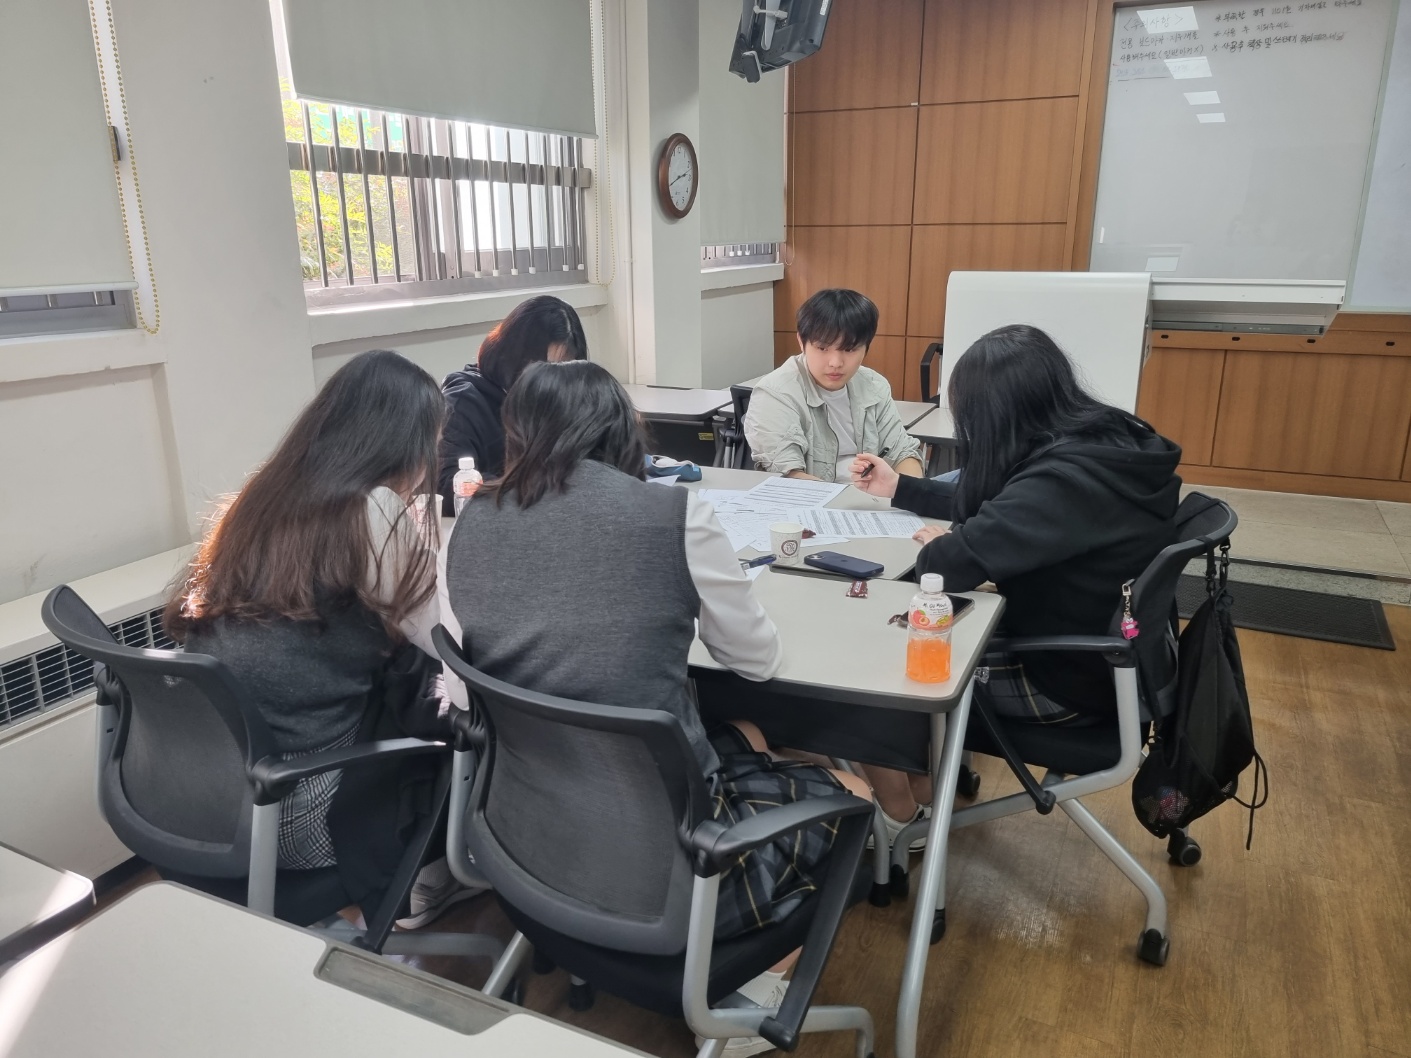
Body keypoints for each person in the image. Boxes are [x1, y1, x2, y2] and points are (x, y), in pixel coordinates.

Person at [442, 359, 872, 1056]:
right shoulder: (675, 515)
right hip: (668, 865)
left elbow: (467, 687)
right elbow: (757, 660)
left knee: (746, 733)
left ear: (515, 431)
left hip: (524, 841)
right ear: (620, 429)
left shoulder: (471, 519)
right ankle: (746, 1010)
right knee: (854, 796)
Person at [163, 350, 472, 924]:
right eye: (430, 444)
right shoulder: (373, 510)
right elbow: (449, 642)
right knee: (462, 710)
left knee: (401, 679)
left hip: (198, 796)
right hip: (294, 813)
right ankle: (428, 877)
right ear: (402, 443)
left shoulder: (265, 496)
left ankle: (416, 877)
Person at [849, 324, 1182, 822]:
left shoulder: (1060, 485)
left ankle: (904, 812)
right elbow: (1006, 502)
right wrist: (902, 488)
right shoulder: (1108, 443)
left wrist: (946, 544)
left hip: (1065, 682)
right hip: (1116, 664)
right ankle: (924, 783)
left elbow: (945, 568)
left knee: (879, 659)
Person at [743, 288, 924, 483]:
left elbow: (903, 453)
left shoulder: (874, 385)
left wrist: (909, 491)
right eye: (822, 348)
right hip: (814, 498)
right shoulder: (775, 393)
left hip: (874, 496)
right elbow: (789, 476)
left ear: (866, 347)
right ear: (802, 342)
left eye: (849, 349)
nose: (836, 362)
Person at [438, 294, 587, 512]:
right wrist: (534, 486)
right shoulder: (462, 403)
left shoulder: (560, 396)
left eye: (564, 368)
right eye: (545, 367)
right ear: (514, 356)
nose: (554, 381)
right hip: (497, 521)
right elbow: (448, 486)